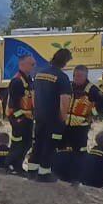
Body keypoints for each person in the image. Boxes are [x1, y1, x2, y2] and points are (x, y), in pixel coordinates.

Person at [30, 48, 70, 180]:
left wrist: (37, 111)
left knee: (38, 142)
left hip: (39, 116)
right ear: (65, 62)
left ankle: (32, 171)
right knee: (50, 144)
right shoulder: (62, 77)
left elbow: (33, 95)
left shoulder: (39, 73)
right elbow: (64, 100)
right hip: (54, 118)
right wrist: (63, 119)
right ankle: (44, 173)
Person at [58, 68, 97, 182]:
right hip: (65, 126)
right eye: (75, 76)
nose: (77, 78)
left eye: (80, 76)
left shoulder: (92, 90)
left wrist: (91, 115)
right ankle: (62, 175)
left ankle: (79, 177)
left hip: (81, 127)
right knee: (62, 150)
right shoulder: (68, 86)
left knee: (79, 152)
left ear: (86, 76)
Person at [5, 58, 37, 174]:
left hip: (28, 118)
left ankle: (17, 165)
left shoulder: (29, 80)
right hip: (19, 118)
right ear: (22, 64)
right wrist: (20, 118)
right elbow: (14, 102)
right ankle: (10, 165)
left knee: (27, 142)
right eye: (31, 64)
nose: (34, 66)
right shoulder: (17, 81)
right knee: (18, 143)